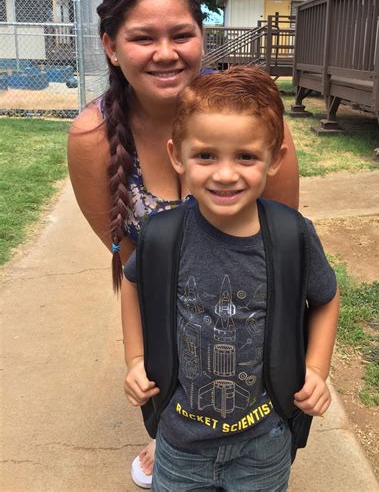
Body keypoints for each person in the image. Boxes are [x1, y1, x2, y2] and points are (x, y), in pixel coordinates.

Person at [67, 0, 300, 488]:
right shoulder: (92, 138)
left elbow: (285, 246)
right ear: (110, 46)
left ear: (202, 36)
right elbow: (133, 263)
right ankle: (168, 429)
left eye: (181, 34)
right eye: (142, 37)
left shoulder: (258, 121)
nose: (166, 52)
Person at [121, 66, 340, 491]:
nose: (225, 173)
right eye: (205, 155)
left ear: (275, 158)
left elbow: (326, 299)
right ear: (176, 155)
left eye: (246, 156)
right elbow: (132, 284)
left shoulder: (292, 236)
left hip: (264, 441)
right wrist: (134, 359)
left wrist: (316, 368)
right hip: (180, 440)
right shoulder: (163, 237)